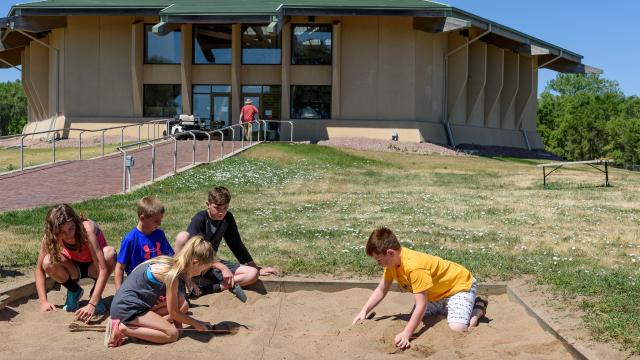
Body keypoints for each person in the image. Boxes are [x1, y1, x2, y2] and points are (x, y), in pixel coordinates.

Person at [352, 227, 487, 349]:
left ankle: (477, 308)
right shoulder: (392, 265)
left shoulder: (414, 266)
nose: (378, 264)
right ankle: (448, 307)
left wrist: (407, 333)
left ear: (390, 253)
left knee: (457, 329)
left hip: (460, 286)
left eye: (379, 260)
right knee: (415, 317)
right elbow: (381, 290)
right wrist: (364, 311)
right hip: (435, 293)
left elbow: (421, 305)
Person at [106, 235, 214, 347]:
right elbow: (174, 313)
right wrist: (196, 323)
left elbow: (177, 306)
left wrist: (182, 327)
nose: (200, 274)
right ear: (195, 263)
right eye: (202, 270)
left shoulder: (171, 263)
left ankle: (144, 328)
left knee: (182, 304)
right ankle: (122, 329)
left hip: (134, 303)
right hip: (127, 309)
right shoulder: (172, 275)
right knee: (172, 334)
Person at [174, 186, 277, 300]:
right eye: (217, 208)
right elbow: (197, 251)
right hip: (195, 264)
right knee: (183, 237)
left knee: (252, 274)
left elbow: (236, 244)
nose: (221, 212)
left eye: (225, 208)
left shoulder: (227, 218)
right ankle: (183, 282)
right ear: (208, 204)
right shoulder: (200, 219)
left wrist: (256, 268)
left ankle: (208, 288)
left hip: (211, 265)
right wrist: (223, 268)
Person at [35, 204, 117, 321]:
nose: (68, 235)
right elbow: (39, 270)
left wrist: (92, 304)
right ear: (54, 230)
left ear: (76, 223)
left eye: (71, 229)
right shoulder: (50, 237)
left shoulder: (86, 230)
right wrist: (43, 302)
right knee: (47, 261)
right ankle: (74, 290)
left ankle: (95, 295)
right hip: (72, 268)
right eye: (61, 232)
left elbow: (103, 269)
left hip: (95, 267)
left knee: (110, 253)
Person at [115, 196, 174, 290]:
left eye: (160, 220)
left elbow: (170, 257)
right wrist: (119, 293)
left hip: (159, 283)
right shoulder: (130, 239)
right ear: (142, 218)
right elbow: (119, 268)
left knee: (182, 303)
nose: (159, 224)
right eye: (156, 221)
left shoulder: (160, 235)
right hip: (138, 286)